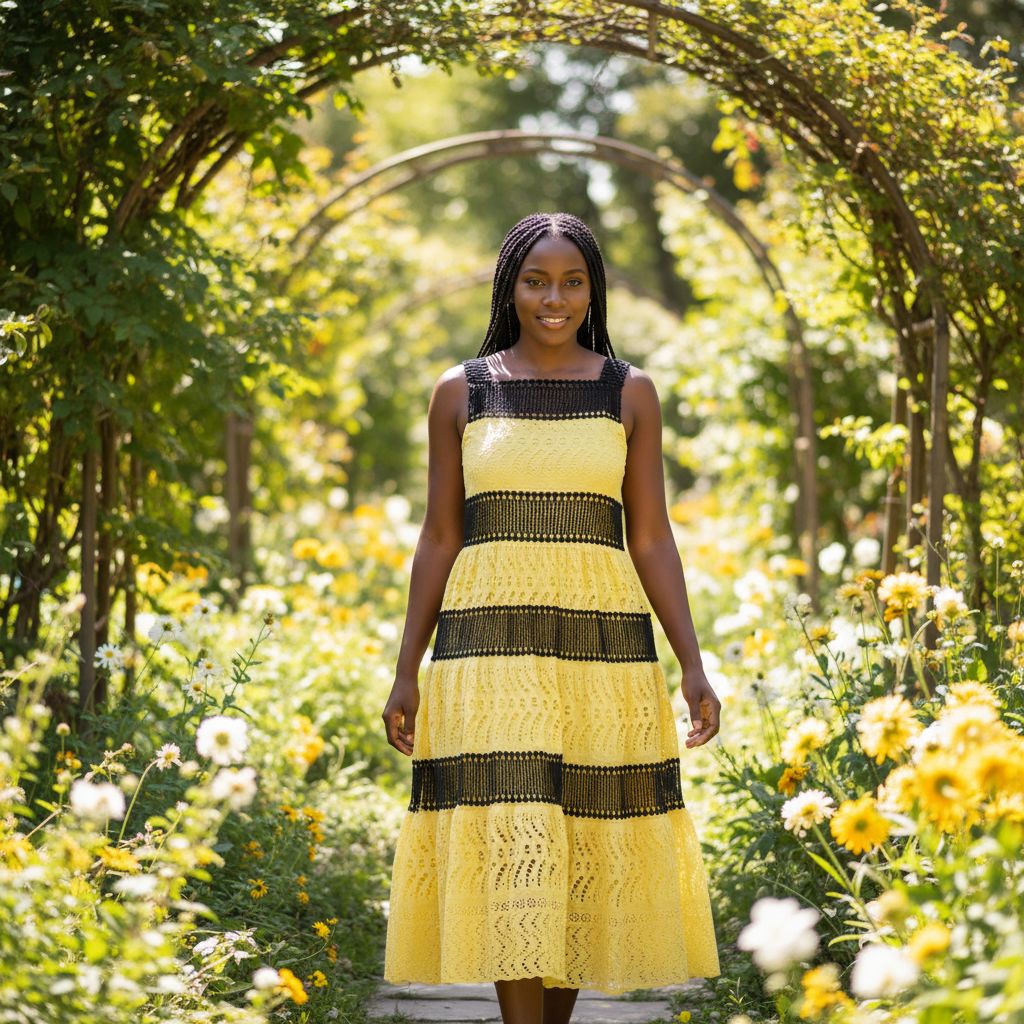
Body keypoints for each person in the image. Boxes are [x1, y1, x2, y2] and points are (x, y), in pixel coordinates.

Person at [381, 211, 721, 1023]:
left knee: (579, 834)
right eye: (537, 281)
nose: (555, 299)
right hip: (488, 646)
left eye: (573, 282)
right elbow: (438, 536)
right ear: (510, 287)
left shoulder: (628, 391)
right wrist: (405, 669)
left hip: (599, 646)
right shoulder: (461, 391)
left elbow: (651, 536)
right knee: (511, 836)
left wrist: (694, 663)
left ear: (593, 288)